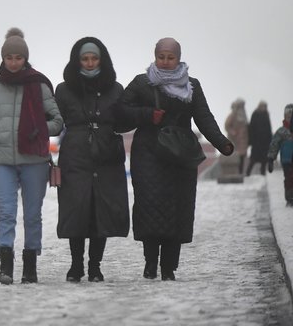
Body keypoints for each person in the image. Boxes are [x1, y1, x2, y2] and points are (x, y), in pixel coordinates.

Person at [118, 37, 233, 281]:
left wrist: (221, 142)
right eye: (161, 57)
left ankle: (169, 267)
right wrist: (148, 115)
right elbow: (121, 115)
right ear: (155, 56)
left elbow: (204, 117)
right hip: (148, 154)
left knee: (178, 209)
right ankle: (150, 263)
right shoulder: (142, 83)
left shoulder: (192, 86)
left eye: (170, 57)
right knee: (149, 207)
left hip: (180, 155)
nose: (166, 62)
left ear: (179, 58)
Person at [0, 28, 63, 285]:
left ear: (25, 58)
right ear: (3, 59)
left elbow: (57, 122)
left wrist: (37, 129)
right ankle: (5, 266)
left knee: (32, 214)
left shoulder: (39, 86)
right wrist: (1, 134)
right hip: (2, 160)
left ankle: (30, 267)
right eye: (9, 57)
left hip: (34, 160)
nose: (14, 62)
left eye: (18, 57)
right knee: (6, 211)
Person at [53, 37, 130, 283]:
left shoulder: (116, 89)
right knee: (77, 209)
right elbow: (56, 120)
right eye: (84, 58)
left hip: (106, 155)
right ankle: (76, 265)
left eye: (93, 58)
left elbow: (125, 119)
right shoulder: (64, 89)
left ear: (102, 59)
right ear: (77, 60)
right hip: (75, 155)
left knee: (101, 211)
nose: (89, 63)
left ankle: (95, 266)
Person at [267, 104, 293, 206]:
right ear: (285, 116)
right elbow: (274, 145)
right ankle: (290, 198)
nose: (290, 118)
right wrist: (271, 158)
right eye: (288, 116)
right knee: (289, 178)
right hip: (286, 160)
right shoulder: (281, 132)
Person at [224, 98, 250, 174]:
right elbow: (227, 126)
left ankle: (240, 173)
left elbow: (246, 128)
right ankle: (234, 173)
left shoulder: (244, 116)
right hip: (234, 140)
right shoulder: (232, 115)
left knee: (242, 158)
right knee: (234, 157)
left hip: (243, 141)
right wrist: (233, 132)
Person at [248, 101, 272, 176]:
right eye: (262, 106)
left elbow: (269, 128)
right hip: (256, 141)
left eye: (264, 106)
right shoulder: (255, 114)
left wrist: (270, 139)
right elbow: (251, 127)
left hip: (265, 142)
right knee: (253, 160)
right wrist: (251, 140)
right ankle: (247, 173)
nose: (263, 108)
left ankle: (263, 173)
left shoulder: (266, 114)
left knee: (264, 159)